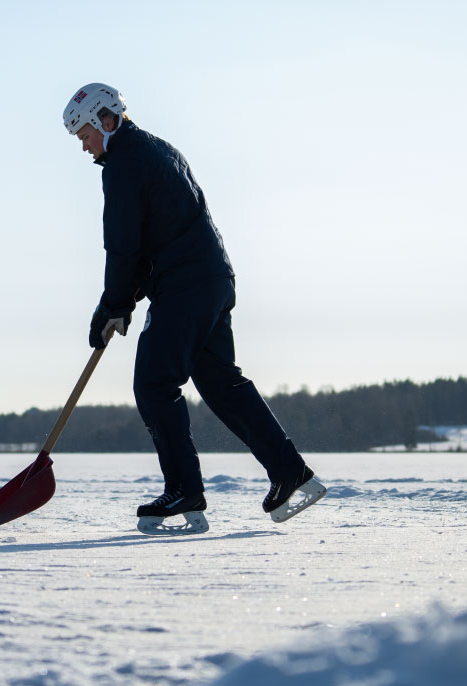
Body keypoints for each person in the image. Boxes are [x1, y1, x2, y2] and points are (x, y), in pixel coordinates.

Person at [63, 83, 326, 535]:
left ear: (107, 121)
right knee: (222, 384)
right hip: (212, 279)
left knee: (154, 383)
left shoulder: (124, 163)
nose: (85, 148)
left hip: (185, 286)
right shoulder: (158, 149)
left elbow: (123, 246)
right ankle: (292, 473)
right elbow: (157, 236)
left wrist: (113, 304)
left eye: (85, 135)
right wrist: (122, 303)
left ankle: (185, 489)